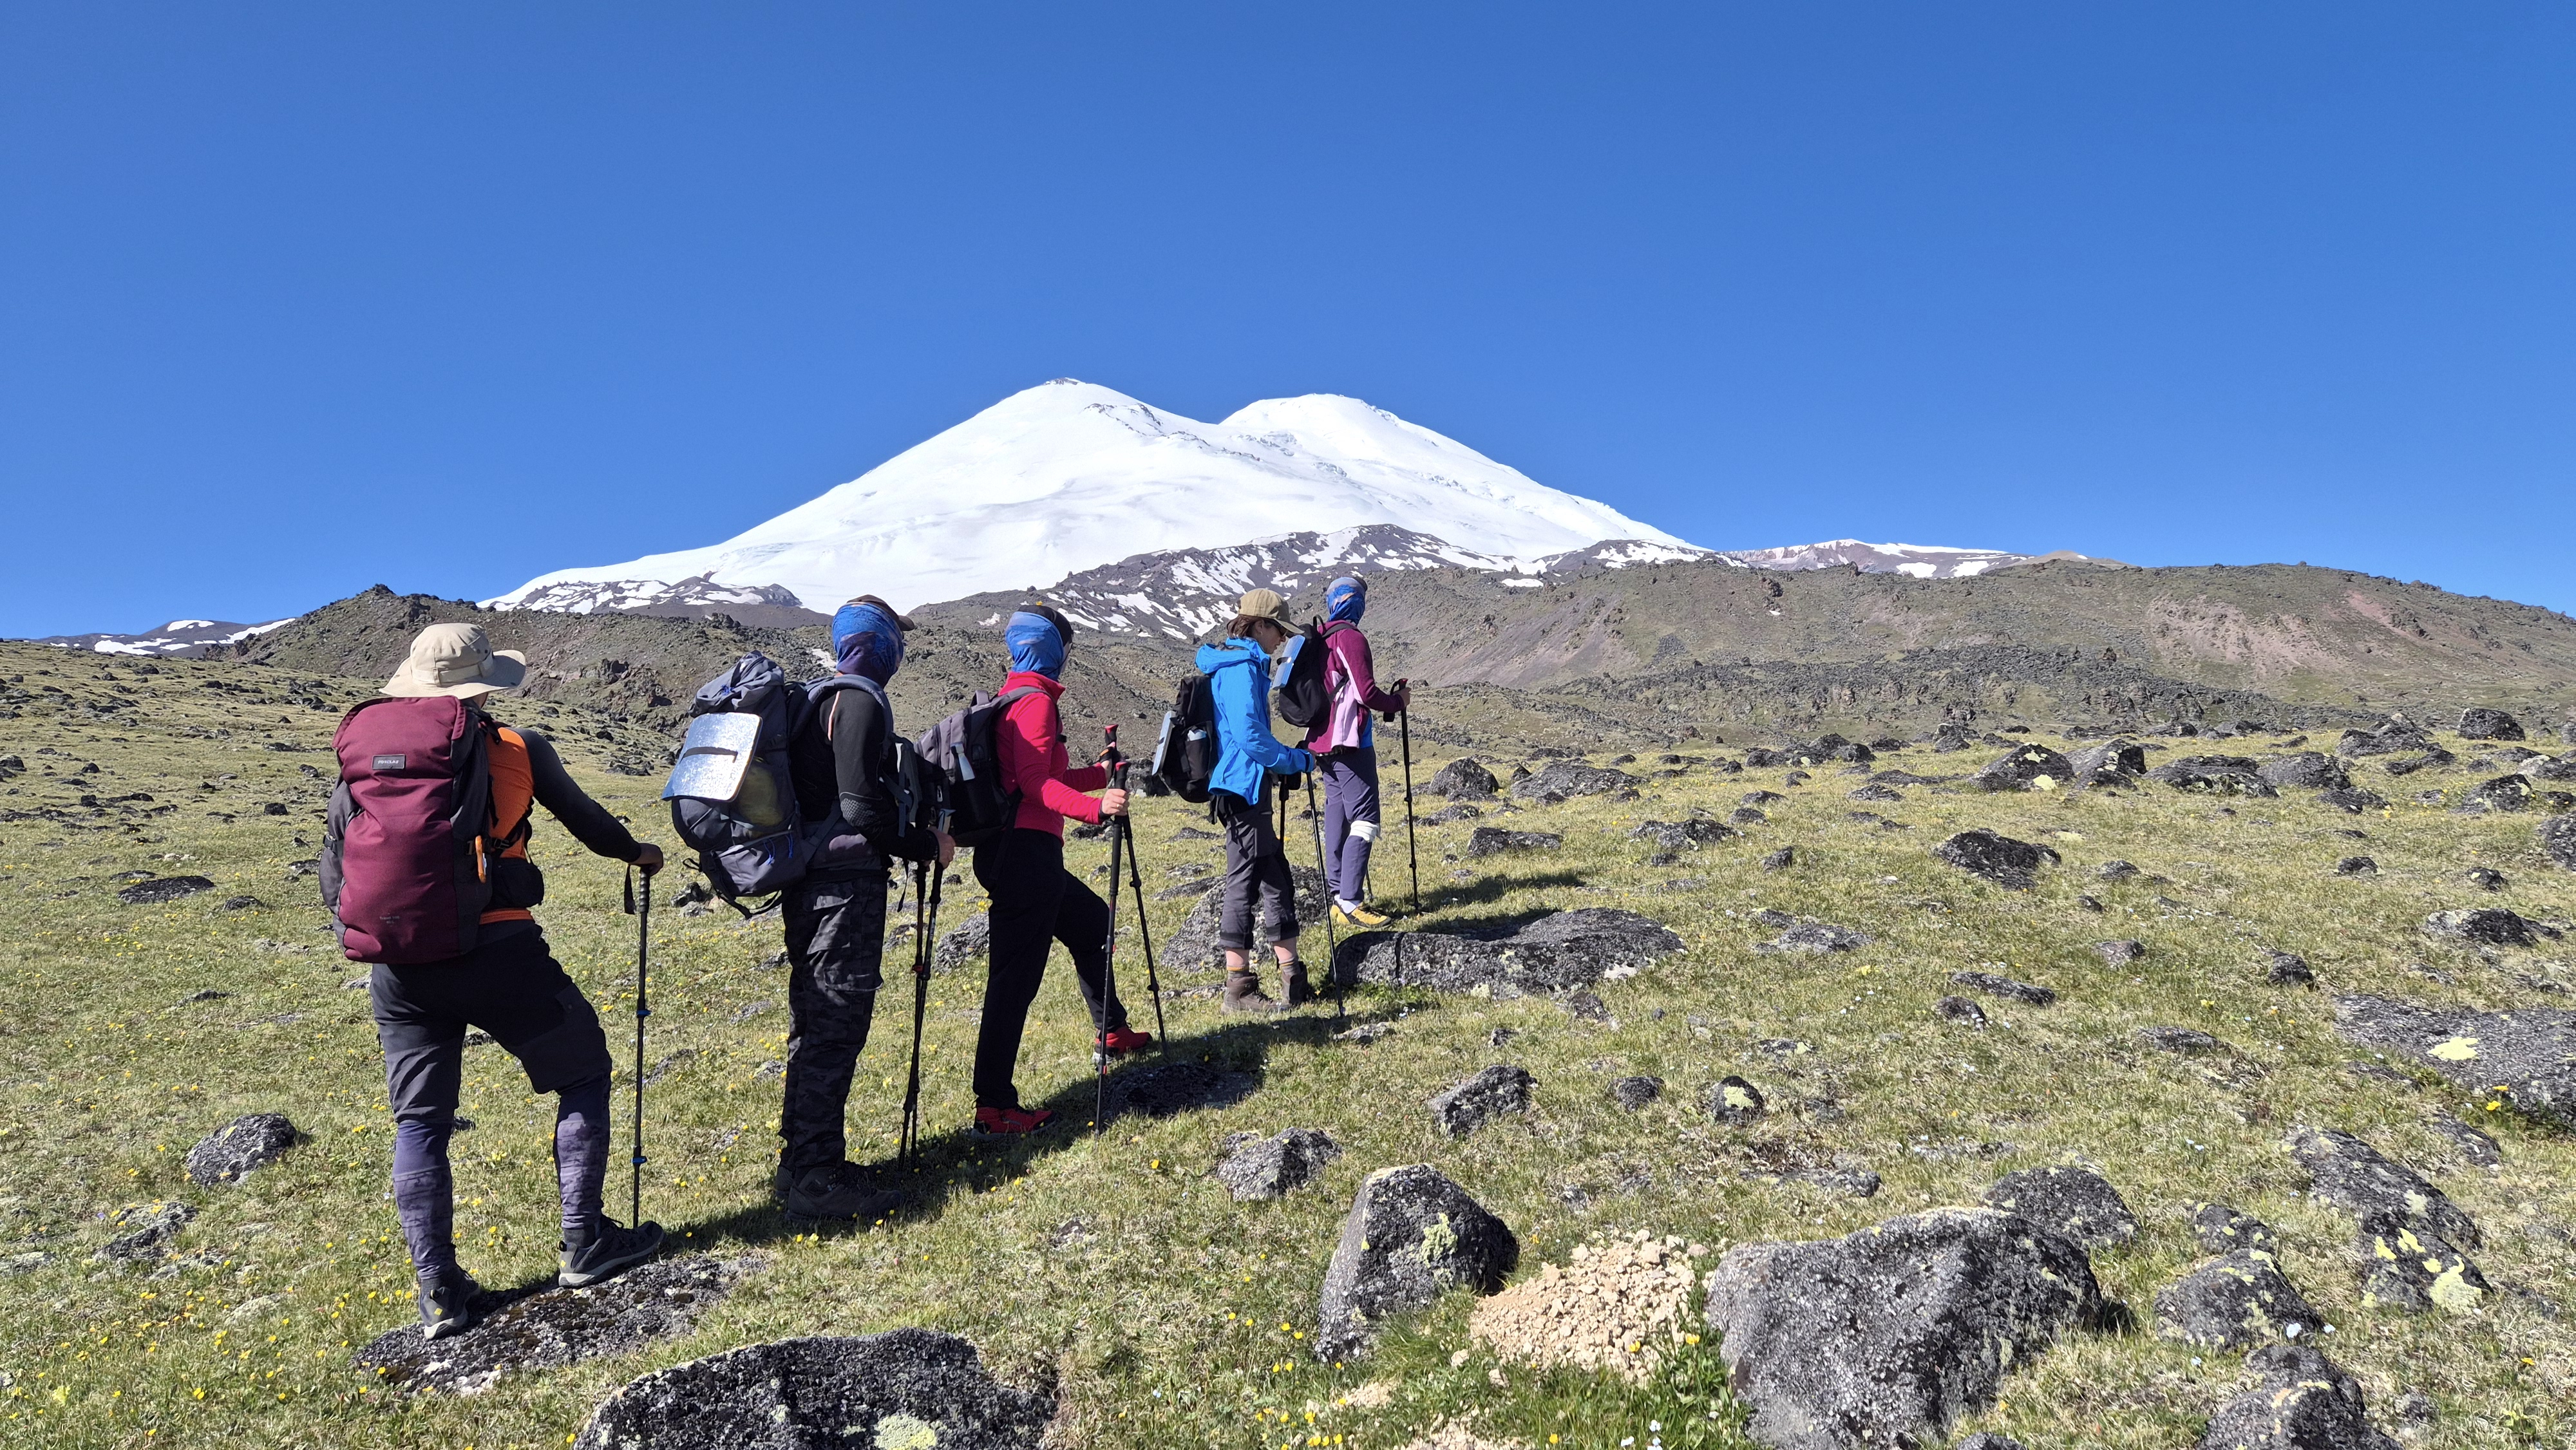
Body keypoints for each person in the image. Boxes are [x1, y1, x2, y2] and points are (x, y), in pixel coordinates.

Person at [341, 623, 665, 1342]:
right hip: (501, 949)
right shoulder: (517, 746)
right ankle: (584, 1241)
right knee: (583, 1070)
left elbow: (339, 856)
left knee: (420, 1122)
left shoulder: (371, 760)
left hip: (402, 964)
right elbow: (586, 822)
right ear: (481, 687)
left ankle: (440, 1292)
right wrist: (639, 852)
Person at [772, 597, 954, 1218]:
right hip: (843, 889)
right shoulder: (859, 700)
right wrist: (926, 844)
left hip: (811, 883)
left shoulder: (819, 699)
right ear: (877, 644)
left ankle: (801, 1162)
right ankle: (817, 1177)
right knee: (835, 1024)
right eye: (895, 640)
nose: (901, 652)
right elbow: (860, 807)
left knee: (816, 1021)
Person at [968, 603, 1141, 1135]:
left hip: (1015, 852)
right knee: (1014, 982)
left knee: (1091, 924)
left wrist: (1100, 774)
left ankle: (1111, 1030)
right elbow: (1034, 784)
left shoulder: (1011, 697)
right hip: (1026, 856)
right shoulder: (1037, 703)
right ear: (1055, 648)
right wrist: (1098, 807)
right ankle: (994, 1107)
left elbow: (1045, 773)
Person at [1194, 588, 1320, 1012]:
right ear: (1260, 625)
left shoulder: (1239, 663)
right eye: (1278, 632)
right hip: (1241, 787)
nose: (1281, 641)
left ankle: (1292, 979)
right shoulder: (1241, 667)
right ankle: (1239, 990)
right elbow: (1250, 737)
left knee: (1274, 876)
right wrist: (1292, 760)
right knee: (1244, 881)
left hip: (1243, 785)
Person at [1300, 576, 1410, 927]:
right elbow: (1367, 694)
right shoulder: (1351, 637)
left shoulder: (1321, 638)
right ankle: (1351, 900)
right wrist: (1399, 702)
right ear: (1356, 603)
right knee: (1365, 817)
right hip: (1349, 742)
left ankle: (1337, 894)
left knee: (1337, 812)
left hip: (1320, 741)